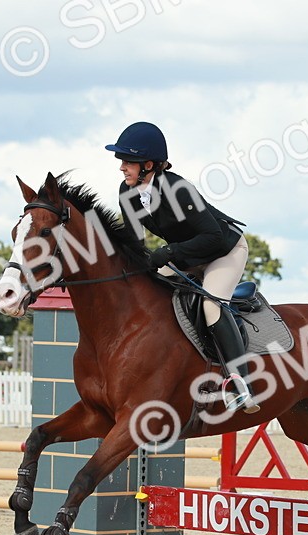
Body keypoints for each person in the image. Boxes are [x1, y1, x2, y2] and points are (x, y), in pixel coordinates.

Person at [105, 121, 259, 414]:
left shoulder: (177, 189)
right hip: (188, 256)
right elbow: (135, 243)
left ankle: (241, 384)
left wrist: (169, 252)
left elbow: (212, 236)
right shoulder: (127, 194)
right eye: (122, 162)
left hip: (224, 250)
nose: (122, 168)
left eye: (128, 162)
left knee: (210, 306)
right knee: (150, 297)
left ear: (148, 165)